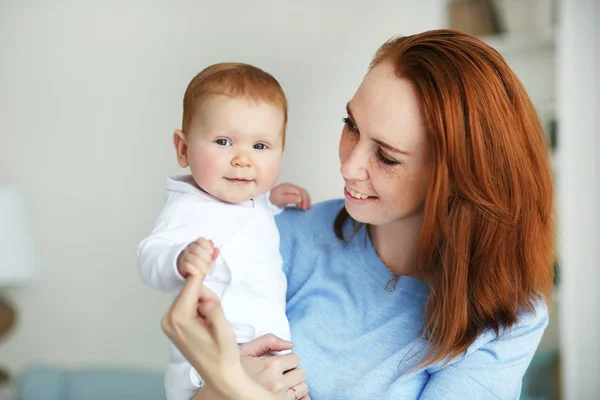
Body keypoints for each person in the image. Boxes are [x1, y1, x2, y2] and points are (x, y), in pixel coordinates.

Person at [162, 29, 555, 400]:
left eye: (386, 157)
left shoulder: (506, 318)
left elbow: (229, 380)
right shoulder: (286, 233)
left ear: (457, 178)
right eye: (351, 125)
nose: (349, 167)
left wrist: (235, 386)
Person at [138, 62, 311, 400]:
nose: (243, 160)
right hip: (205, 370)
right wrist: (178, 259)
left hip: (271, 359)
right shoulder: (187, 207)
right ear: (183, 148)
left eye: (260, 147)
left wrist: (271, 199)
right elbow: (149, 256)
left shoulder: (253, 200)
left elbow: (246, 218)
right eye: (223, 141)